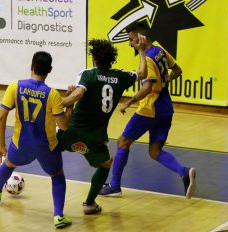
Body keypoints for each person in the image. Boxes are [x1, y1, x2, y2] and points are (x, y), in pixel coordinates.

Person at [99, 22, 196, 199]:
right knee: (154, 151)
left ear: (139, 37)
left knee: (122, 142)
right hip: (166, 108)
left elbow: (147, 88)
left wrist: (128, 102)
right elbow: (177, 70)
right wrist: (164, 81)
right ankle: (184, 172)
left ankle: (115, 186)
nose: (130, 43)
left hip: (149, 109)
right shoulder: (159, 50)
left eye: (131, 39)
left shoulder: (148, 58)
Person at [57, 37, 147, 215]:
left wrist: (61, 100)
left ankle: (7, 170)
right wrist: (142, 51)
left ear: (94, 58)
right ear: (111, 59)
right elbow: (142, 73)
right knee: (106, 164)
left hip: (71, 132)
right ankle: (89, 204)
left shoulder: (88, 74)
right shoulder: (121, 76)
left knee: (44, 147)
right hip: (96, 138)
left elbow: (77, 95)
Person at [0, 51, 73, 229]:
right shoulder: (53, 95)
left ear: (31, 66)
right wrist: (70, 105)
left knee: (9, 162)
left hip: (21, 143)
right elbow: (63, 125)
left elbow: (1, 117)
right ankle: (58, 216)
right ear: (49, 70)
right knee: (57, 175)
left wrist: (1, 145)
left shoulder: (15, 86)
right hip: (46, 146)